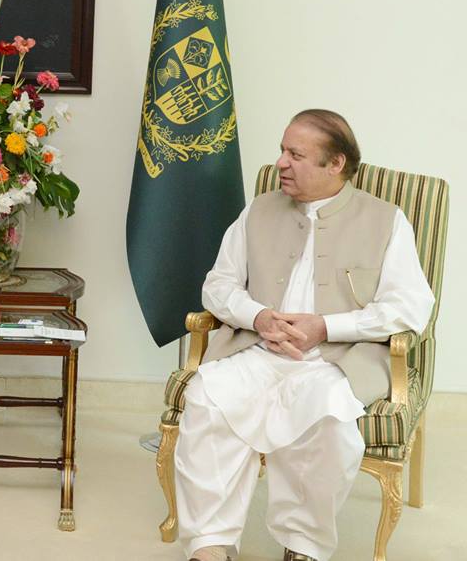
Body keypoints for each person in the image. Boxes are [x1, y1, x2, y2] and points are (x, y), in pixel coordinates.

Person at [174, 110, 435, 561]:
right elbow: (217, 285)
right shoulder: (258, 209)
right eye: (282, 150)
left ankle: (303, 547)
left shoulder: (386, 221)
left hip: (333, 361)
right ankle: (211, 543)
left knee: (328, 419)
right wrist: (257, 317)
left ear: (335, 164)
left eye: (296, 154)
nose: (280, 163)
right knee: (208, 398)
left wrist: (327, 327)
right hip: (257, 350)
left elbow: (412, 307)